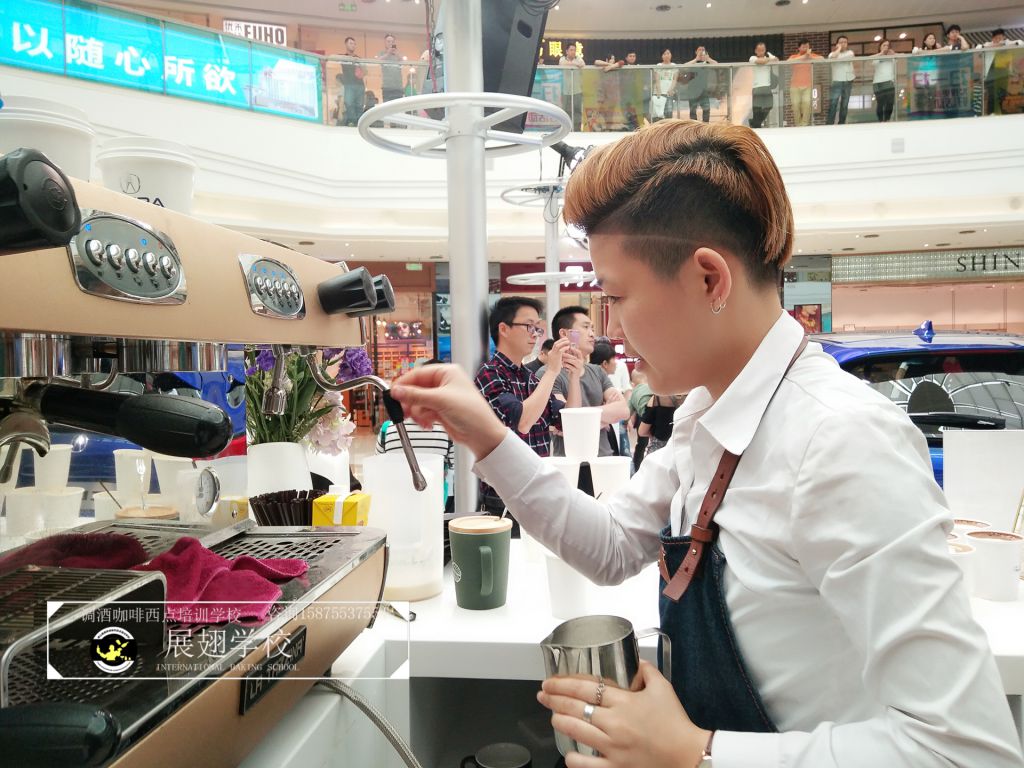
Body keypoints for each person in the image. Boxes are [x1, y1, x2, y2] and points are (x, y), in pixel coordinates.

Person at [390, 119, 1023, 767]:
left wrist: (697, 752)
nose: (611, 329)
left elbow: (967, 752)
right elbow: (612, 545)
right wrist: (486, 434)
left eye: (617, 296)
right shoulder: (707, 411)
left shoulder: (842, 443)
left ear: (709, 280)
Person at [474, 297, 582, 520]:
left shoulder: (531, 379)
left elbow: (571, 423)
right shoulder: (489, 374)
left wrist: (573, 377)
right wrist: (552, 371)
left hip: (538, 492)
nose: (535, 334)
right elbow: (522, 422)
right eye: (529, 326)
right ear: (504, 329)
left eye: (538, 328)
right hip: (504, 499)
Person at [537, 306, 629, 457]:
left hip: (604, 457)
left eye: (592, 328)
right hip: (570, 461)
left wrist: (583, 417)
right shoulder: (547, 374)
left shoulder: (597, 371)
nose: (592, 334)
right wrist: (603, 418)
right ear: (564, 334)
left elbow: (623, 410)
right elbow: (569, 422)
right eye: (585, 327)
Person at [376, 358, 454, 503]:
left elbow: (379, 468)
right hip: (433, 504)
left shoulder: (387, 429)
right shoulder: (448, 432)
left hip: (395, 503)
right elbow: (455, 471)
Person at [591, 340, 632, 457]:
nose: (616, 362)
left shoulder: (606, 383)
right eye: (613, 359)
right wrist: (609, 410)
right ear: (605, 363)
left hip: (613, 424)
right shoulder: (594, 381)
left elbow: (622, 409)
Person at [637, 392, 685, 462]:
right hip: (681, 454)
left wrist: (653, 434)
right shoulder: (694, 395)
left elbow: (642, 431)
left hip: (657, 453)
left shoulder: (658, 399)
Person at [787, 39, 822, 126]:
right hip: (794, 86)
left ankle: (804, 124)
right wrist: (804, 57)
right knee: (795, 106)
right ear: (799, 48)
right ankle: (798, 125)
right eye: (803, 47)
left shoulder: (811, 56)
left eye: (807, 47)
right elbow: (788, 62)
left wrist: (810, 57)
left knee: (807, 104)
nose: (806, 48)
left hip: (808, 86)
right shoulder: (794, 56)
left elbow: (822, 59)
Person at [336, 36, 365, 127]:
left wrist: (360, 63)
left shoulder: (358, 58)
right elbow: (333, 57)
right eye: (351, 43)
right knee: (349, 103)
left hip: (360, 84)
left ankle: (359, 124)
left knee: (359, 105)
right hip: (349, 85)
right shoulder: (343, 57)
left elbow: (366, 71)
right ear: (346, 44)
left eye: (354, 44)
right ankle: (352, 122)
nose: (353, 45)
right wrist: (349, 59)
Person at [826, 35, 855, 125]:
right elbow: (832, 58)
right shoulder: (831, 54)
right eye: (841, 42)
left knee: (844, 104)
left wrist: (838, 58)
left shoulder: (850, 52)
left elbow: (846, 58)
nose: (843, 44)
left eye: (845, 42)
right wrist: (838, 49)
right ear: (837, 44)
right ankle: (829, 124)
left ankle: (841, 123)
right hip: (836, 81)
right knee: (833, 103)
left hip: (848, 81)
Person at [748, 42, 777, 128]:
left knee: (769, 106)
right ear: (755, 51)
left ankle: (754, 122)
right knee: (757, 109)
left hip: (767, 86)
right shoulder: (752, 58)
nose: (761, 52)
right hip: (757, 87)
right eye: (759, 50)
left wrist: (772, 58)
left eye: (763, 50)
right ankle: (756, 125)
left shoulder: (767, 59)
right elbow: (760, 62)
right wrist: (770, 59)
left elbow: (777, 60)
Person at [683, 46, 716, 122]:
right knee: (693, 110)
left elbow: (717, 65)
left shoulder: (707, 63)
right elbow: (684, 66)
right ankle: (694, 126)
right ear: (696, 52)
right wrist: (696, 59)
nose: (701, 51)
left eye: (703, 50)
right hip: (692, 90)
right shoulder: (693, 63)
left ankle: (705, 125)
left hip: (704, 90)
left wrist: (708, 59)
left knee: (706, 109)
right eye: (699, 50)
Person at [558, 43, 585, 130]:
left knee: (577, 111)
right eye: (571, 50)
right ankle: (566, 130)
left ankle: (577, 130)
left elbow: (582, 65)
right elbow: (562, 64)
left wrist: (573, 64)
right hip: (566, 91)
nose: (573, 52)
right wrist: (575, 65)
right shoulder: (562, 59)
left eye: (574, 50)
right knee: (566, 112)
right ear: (566, 51)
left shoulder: (579, 58)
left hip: (577, 91)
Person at [871, 40, 897, 121]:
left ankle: (887, 120)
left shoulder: (892, 56)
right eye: (884, 45)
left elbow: (898, 59)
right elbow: (871, 61)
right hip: (878, 83)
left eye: (887, 45)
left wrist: (893, 54)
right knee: (880, 103)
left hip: (889, 81)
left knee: (890, 102)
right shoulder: (877, 56)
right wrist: (881, 53)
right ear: (880, 47)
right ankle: (881, 121)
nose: (886, 47)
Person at [376, 33, 404, 104]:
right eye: (388, 41)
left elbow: (404, 64)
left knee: (399, 107)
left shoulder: (398, 54)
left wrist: (397, 54)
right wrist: (388, 54)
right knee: (387, 107)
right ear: (385, 43)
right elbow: (378, 62)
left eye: (392, 42)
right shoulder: (382, 53)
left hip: (398, 87)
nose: (390, 43)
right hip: (387, 87)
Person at [653, 49, 678, 122]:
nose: (667, 55)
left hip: (669, 93)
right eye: (664, 54)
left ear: (671, 55)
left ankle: (668, 127)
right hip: (659, 93)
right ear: (662, 56)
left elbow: (674, 79)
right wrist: (659, 91)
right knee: (659, 113)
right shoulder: (659, 65)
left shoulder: (674, 65)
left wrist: (671, 89)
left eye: (668, 53)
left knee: (669, 112)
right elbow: (657, 79)